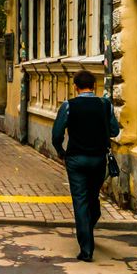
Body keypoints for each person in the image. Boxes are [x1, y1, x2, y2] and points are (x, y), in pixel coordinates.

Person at [52, 70, 121, 262]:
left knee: (81, 202)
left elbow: (56, 134)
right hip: (98, 159)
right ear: (95, 86)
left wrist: (61, 152)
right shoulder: (104, 105)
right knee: (92, 198)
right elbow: (114, 131)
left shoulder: (69, 106)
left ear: (75, 87)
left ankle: (86, 250)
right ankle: (88, 229)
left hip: (75, 160)